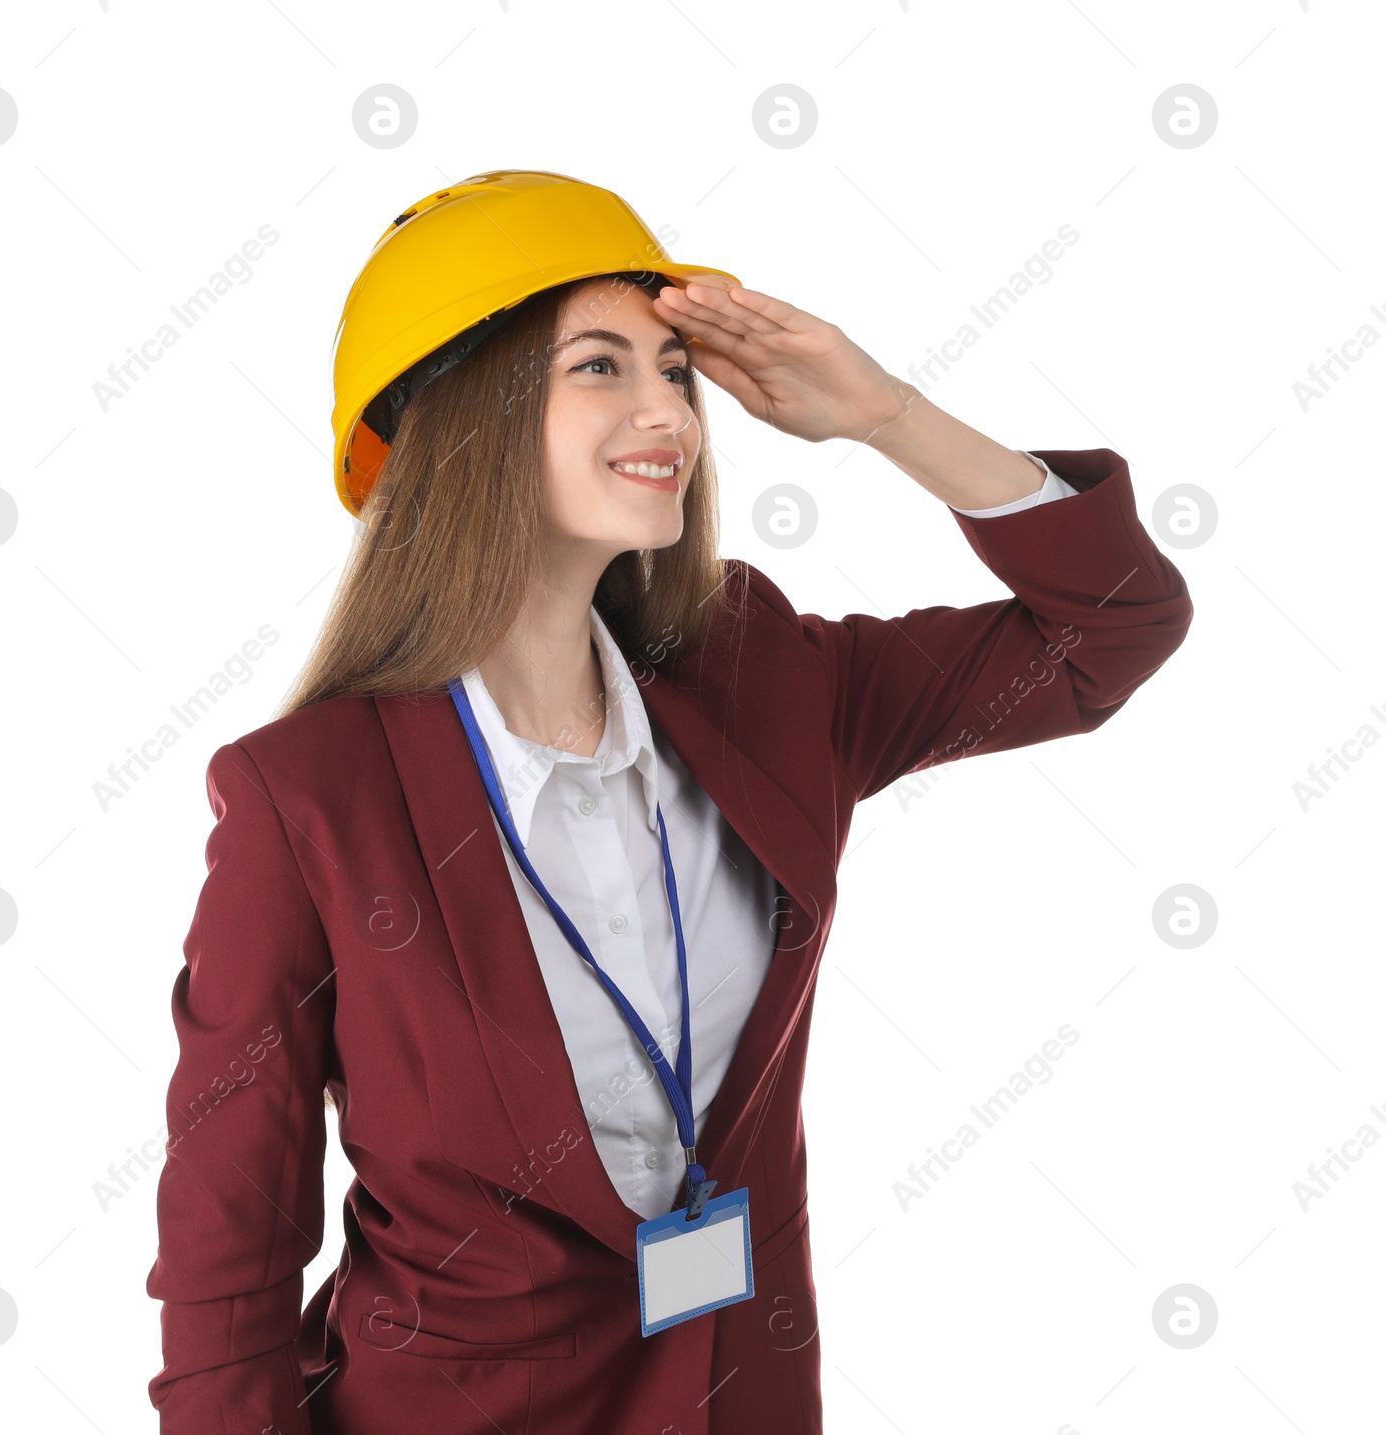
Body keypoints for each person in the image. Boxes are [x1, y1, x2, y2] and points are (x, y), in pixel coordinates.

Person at [145, 171, 1192, 1434]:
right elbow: (229, 1250)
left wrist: (884, 414)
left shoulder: (757, 675)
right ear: (461, 414)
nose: (669, 414)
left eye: (675, 367)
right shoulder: (305, 797)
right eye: (600, 367)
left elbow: (1110, 628)